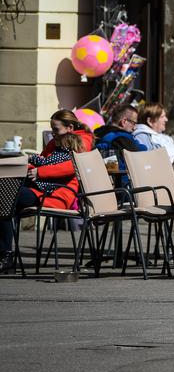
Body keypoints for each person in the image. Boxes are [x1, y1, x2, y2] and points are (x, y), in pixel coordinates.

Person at [1, 110, 97, 273]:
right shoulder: (57, 140)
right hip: (40, 189)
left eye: (56, 129)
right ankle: (6, 255)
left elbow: (73, 166)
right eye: (52, 129)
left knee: (5, 198)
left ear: (70, 127)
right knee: (5, 200)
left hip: (57, 194)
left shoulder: (81, 140)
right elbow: (42, 160)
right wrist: (33, 168)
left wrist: (40, 172)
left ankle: (6, 256)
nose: (53, 133)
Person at [92, 104, 145, 175]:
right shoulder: (122, 137)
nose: (134, 128)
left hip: (104, 180)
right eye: (134, 123)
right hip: (126, 182)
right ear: (124, 122)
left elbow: (111, 168)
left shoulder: (98, 135)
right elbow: (142, 154)